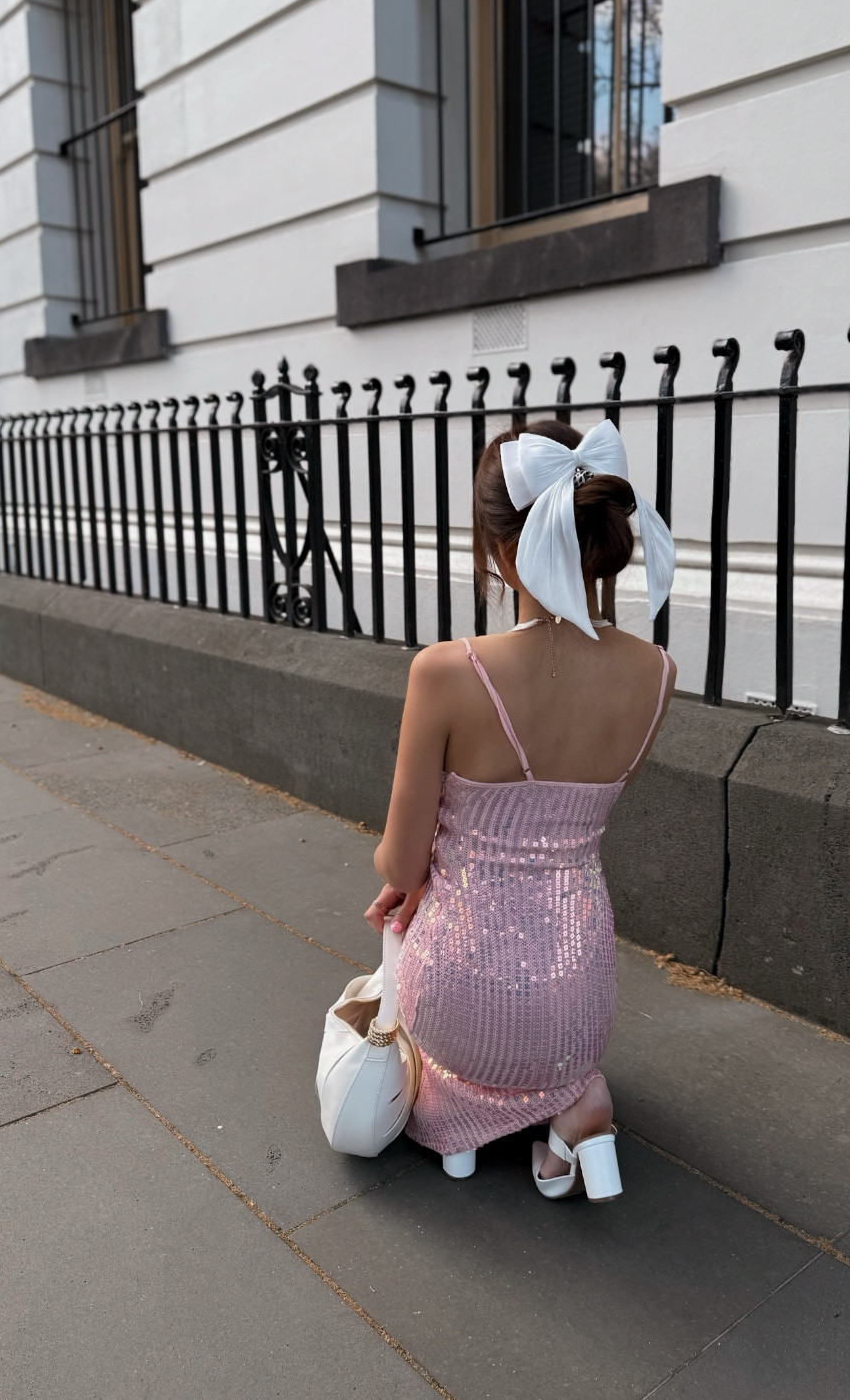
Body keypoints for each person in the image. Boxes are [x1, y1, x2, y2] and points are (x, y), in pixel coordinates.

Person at [364, 416, 677, 1201]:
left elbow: (401, 865)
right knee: (552, 1017)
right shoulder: (657, 673)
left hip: (462, 991)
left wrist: (410, 881)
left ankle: (460, 1123)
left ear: (501, 551)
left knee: (405, 923)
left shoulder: (446, 671)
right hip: (579, 989)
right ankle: (576, 1100)